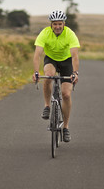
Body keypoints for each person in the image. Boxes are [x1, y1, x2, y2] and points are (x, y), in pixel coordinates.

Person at [32, 10, 80, 142]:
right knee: (48, 76)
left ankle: (65, 127)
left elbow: (75, 56)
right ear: (51, 25)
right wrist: (36, 72)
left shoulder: (70, 34)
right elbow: (37, 55)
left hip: (67, 62)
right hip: (51, 60)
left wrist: (75, 73)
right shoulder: (45, 33)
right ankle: (47, 106)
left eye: (60, 24)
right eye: (55, 24)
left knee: (66, 94)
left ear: (64, 23)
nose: (57, 27)